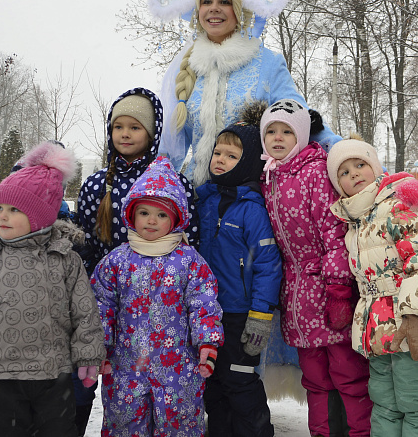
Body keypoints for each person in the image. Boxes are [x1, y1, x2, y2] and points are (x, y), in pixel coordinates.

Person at [147, 0, 340, 187]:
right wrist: (154, 186)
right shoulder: (185, 64)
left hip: (250, 201)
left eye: (224, 1)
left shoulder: (268, 63)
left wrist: (343, 154)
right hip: (197, 196)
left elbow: (300, 119)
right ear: (197, 11)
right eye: (206, 1)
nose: (214, 8)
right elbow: (170, 145)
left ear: (239, 12)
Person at [0, 141, 105, 437]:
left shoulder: (65, 259)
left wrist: (89, 357)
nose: (1, 216)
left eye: (14, 209)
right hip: (0, 377)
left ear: (39, 216)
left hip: (54, 375)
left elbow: (84, 313)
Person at [74, 87, 200, 434]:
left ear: (153, 132)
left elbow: (193, 244)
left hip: (166, 309)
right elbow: (84, 244)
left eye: (135, 127)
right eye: (118, 127)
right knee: (117, 394)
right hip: (112, 303)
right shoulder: (97, 183)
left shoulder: (175, 182)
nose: (125, 134)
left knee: (172, 401)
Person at [259, 100, 371, 437]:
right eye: (271, 131)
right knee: (315, 381)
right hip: (296, 294)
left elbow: (334, 234)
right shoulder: (269, 175)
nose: (278, 138)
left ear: (303, 135)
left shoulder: (314, 171)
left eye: (287, 131)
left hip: (326, 289)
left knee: (349, 376)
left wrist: (338, 290)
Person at [91, 157, 224, 437]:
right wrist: (98, 347)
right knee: (124, 424)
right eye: (144, 213)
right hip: (125, 366)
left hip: (178, 366)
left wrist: (207, 344)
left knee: (180, 424)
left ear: (176, 219)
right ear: (131, 215)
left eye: (162, 215)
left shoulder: (189, 261)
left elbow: (204, 304)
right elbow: (100, 306)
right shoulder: (116, 261)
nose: (152, 220)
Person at [327, 136, 418, 437]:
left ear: (375, 168)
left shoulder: (396, 207)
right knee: (384, 404)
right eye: (344, 172)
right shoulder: (355, 221)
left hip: (410, 323)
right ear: (338, 185)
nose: (354, 173)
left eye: (360, 164)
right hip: (377, 331)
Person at [196, 103, 282, 436]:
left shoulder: (252, 210)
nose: (220, 159)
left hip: (238, 314)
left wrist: (260, 315)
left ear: (247, 162)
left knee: (240, 383)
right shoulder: (202, 200)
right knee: (213, 385)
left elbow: (268, 266)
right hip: (205, 314)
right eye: (218, 152)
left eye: (231, 156)